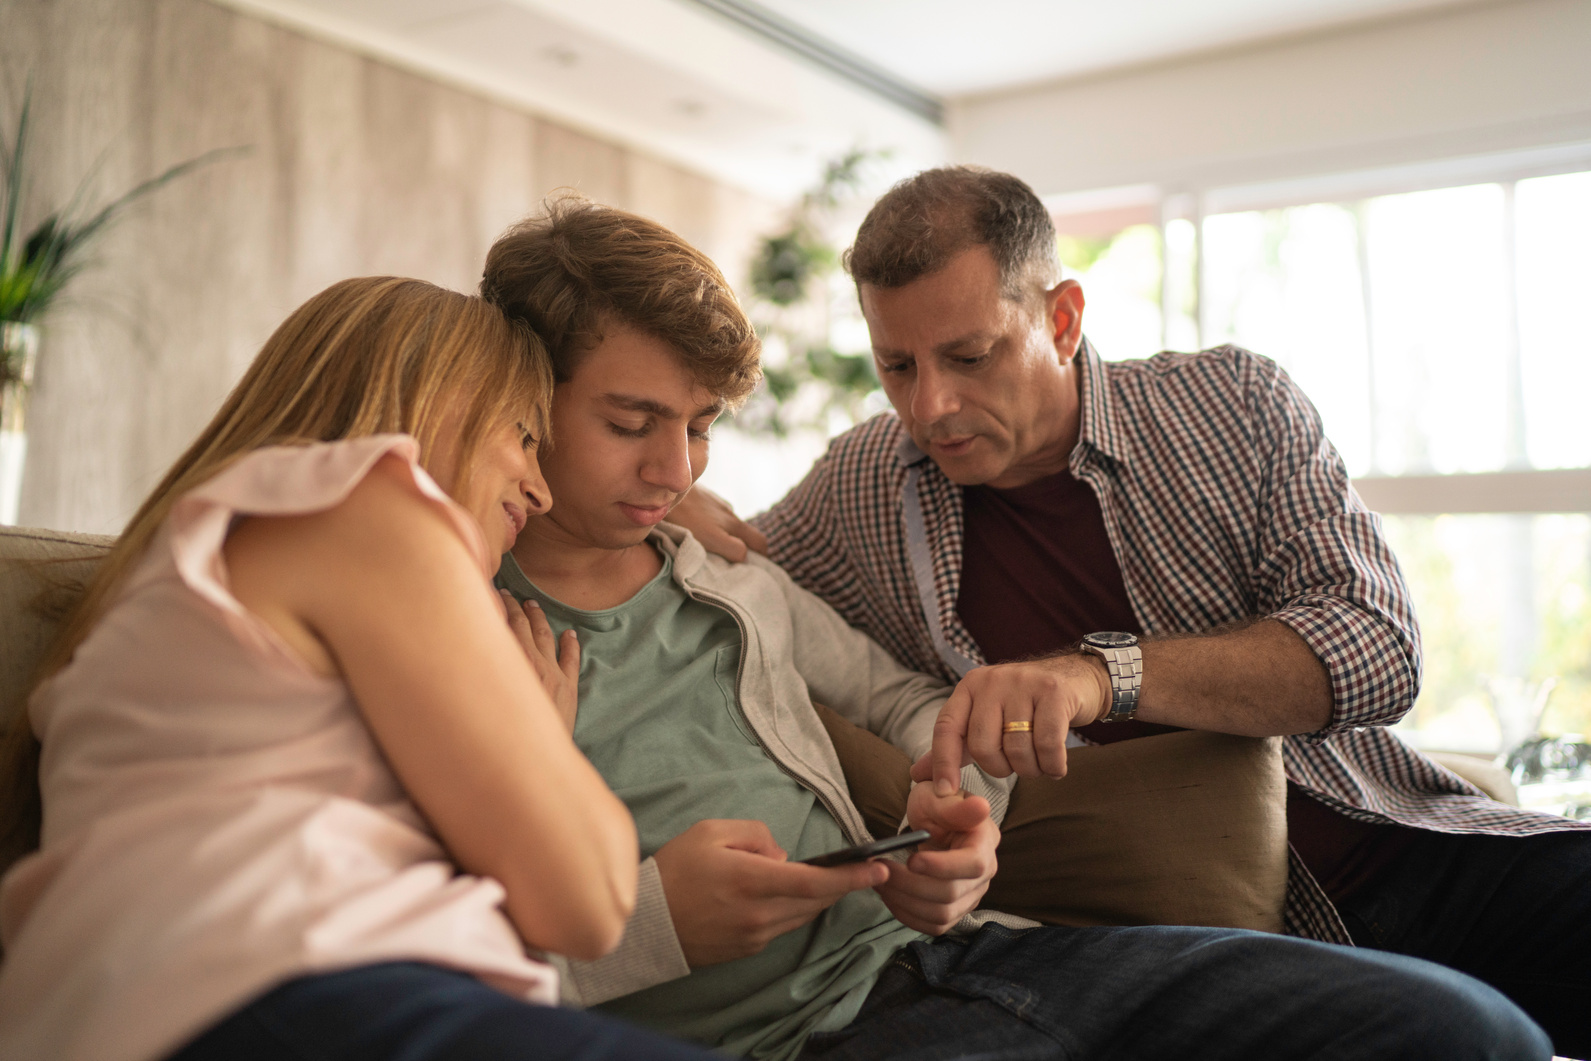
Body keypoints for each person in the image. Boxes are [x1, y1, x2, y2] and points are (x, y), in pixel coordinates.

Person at [479, 196, 1552, 1061]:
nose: (930, 406)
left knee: (1471, 1030)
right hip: (877, 1004)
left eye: (971, 355)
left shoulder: (1232, 402)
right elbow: (408, 944)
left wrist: (976, 800)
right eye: (896, 367)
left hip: (1400, 837)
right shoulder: (840, 493)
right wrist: (699, 514)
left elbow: (1380, 648)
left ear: (1062, 320)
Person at [0, 277, 717, 1061]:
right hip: (285, 989)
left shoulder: (216, 570)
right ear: (438, 393)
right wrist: (539, 730)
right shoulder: (363, 504)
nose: (539, 490)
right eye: (523, 435)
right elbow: (589, 898)